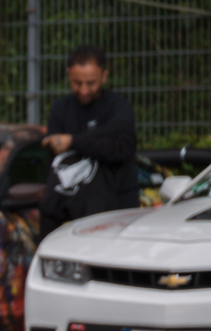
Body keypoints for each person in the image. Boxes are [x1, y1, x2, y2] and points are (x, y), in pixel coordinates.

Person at [39, 45, 137, 240]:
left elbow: (121, 149)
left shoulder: (118, 106)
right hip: (71, 210)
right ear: (68, 75)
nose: (83, 90)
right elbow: (57, 154)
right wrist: (99, 136)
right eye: (77, 83)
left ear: (104, 76)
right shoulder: (60, 108)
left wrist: (73, 141)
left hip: (117, 210)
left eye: (91, 83)